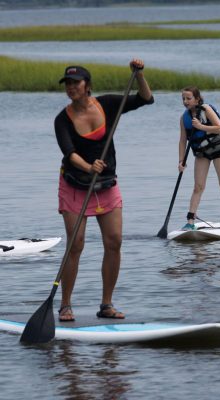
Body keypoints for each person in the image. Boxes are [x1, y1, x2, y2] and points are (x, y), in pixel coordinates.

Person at [54, 59, 154, 321]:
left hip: (107, 184)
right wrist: (88, 166)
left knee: (114, 241)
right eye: (68, 84)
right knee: (76, 245)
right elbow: (69, 153)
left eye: (76, 83)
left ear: (87, 86)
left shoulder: (108, 104)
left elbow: (145, 98)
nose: (71, 88)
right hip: (75, 184)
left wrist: (139, 74)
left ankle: (106, 305)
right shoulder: (62, 119)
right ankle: (65, 305)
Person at [178, 86, 220, 231]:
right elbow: (182, 140)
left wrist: (201, 126)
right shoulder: (184, 118)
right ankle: (190, 221)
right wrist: (181, 161)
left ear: (197, 99)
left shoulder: (206, 109)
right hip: (202, 153)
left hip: (218, 150)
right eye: (183, 99)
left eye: (189, 98)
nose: (185, 101)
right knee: (198, 187)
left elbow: (219, 128)